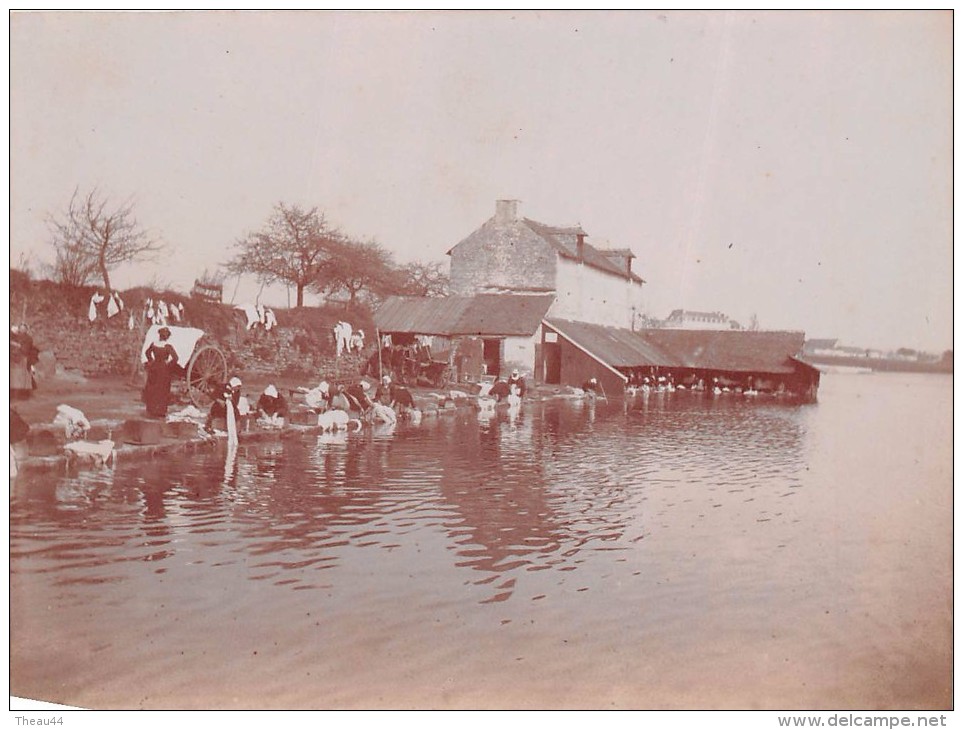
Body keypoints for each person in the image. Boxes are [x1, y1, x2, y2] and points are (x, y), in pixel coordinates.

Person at [143, 327, 179, 418]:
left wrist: (151, 361)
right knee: (162, 390)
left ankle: (151, 409)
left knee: (152, 389)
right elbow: (176, 358)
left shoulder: (154, 344)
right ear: (167, 337)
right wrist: (168, 365)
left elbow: (147, 353)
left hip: (154, 368)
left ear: (159, 336)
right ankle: (160, 411)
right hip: (163, 370)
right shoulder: (167, 346)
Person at [10, 324, 40, 399]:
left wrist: (16, 345)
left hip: (23, 359)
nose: (22, 330)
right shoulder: (15, 336)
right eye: (21, 329)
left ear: (26, 330)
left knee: (23, 377)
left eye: (24, 329)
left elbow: (26, 349)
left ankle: (23, 394)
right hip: (14, 359)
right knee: (14, 377)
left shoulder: (28, 338)